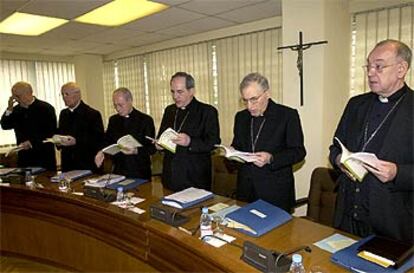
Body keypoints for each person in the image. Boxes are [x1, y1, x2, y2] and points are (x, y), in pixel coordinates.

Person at [329, 39, 413, 242]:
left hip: (392, 221)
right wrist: (340, 159)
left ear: (401, 69)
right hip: (347, 215)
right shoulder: (356, 104)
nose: (370, 72)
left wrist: (397, 172)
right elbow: (334, 148)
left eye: (379, 66)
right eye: (368, 66)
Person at [231, 72, 306, 212]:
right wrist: (231, 153)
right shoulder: (241, 118)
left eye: (254, 99)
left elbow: (298, 152)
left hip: (275, 192)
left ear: (267, 93)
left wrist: (271, 158)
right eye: (245, 100)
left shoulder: (287, 115)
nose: (249, 106)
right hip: (246, 190)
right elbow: (238, 146)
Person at [157, 72, 220, 191]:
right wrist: (159, 144)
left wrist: (190, 142)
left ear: (191, 91)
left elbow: (213, 142)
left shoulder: (207, 111)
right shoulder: (169, 110)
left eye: (180, 92)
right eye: (172, 91)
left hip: (194, 177)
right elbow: (162, 135)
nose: (175, 96)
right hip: (170, 175)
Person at [95, 87, 156, 179]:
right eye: (115, 105)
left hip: (139, 171)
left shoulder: (145, 120)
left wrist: (136, 151)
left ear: (130, 101)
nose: (117, 109)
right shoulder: (113, 120)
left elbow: (152, 149)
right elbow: (107, 140)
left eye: (120, 105)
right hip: (119, 170)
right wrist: (101, 151)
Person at [1, 81, 57, 170]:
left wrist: (32, 143)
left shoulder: (46, 108)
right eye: (13, 96)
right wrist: (9, 109)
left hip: (43, 156)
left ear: (28, 93)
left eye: (17, 96)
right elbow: (5, 125)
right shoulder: (15, 110)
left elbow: (50, 132)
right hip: (24, 157)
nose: (15, 99)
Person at [57, 82, 104, 172]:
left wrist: (76, 141)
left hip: (86, 163)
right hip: (67, 164)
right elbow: (60, 133)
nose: (64, 97)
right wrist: (58, 141)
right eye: (62, 94)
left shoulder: (92, 114)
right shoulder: (63, 114)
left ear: (77, 94)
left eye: (67, 94)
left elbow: (98, 140)